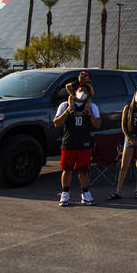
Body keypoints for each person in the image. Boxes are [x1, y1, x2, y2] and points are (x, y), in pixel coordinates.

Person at [52, 73, 101, 206]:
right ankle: (65, 193)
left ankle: (85, 194)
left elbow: (97, 124)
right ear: (75, 91)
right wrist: (68, 110)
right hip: (69, 142)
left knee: (83, 170)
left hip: (84, 142)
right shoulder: (65, 105)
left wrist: (89, 114)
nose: (83, 93)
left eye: (86, 91)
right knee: (67, 169)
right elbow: (57, 123)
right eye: (81, 90)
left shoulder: (92, 106)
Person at [111, 87, 137, 200]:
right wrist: (128, 138)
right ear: (134, 95)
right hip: (130, 137)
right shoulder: (128, 108)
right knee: (124, 165)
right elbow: (123, 125)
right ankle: (118, 191)